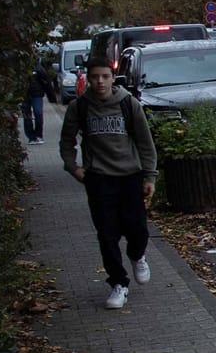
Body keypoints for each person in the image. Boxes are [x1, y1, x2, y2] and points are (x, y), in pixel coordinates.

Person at [60, 57, 158, 311]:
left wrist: (150, 176)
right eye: (95, 77)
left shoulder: (128, 104)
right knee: (107, 234)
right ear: (88, 79)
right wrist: (73, 168)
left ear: (113, 78)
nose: (100, 82)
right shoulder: (79, 107)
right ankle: (118, 283)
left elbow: (145, 143)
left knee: (137, 228)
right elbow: (66, 140)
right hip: (99, 178)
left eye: (105, 76)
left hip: (130, 176)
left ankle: (137, 255)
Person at [23, 55, 53, 144]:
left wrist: (51, 96)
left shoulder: (38, 68)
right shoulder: (20, 68)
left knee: (38, 113)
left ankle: (38, 135)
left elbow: (46, 82)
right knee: (27, 116)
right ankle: (31, 137)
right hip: (24, 95)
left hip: (37, 94)